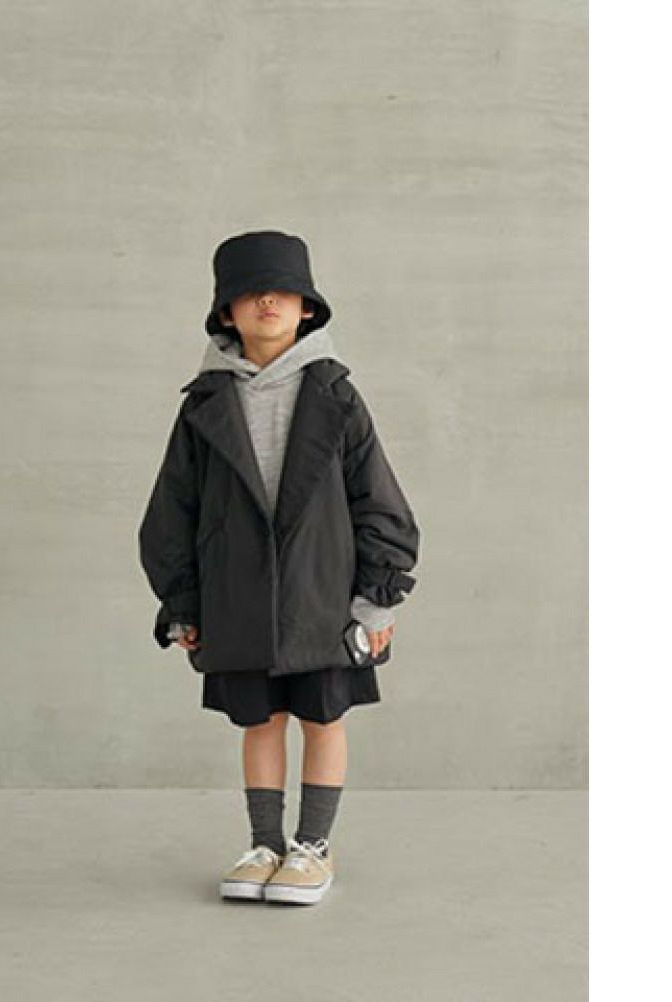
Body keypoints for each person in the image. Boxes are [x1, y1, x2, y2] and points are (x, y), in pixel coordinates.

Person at [138, 230, 420, 905]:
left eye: (283, 291)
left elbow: (378, 500)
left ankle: (312, 848)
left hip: (324, 595)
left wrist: (375, 602)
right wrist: (184, 604)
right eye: (250, 292)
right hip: (236, 596)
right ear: (226, 313)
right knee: (259, 721)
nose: (267, 301)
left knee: (323, 718)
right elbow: (172, 511)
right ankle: (265, 844)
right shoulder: (203, 406)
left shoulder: (336, 396)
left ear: (307, 309)